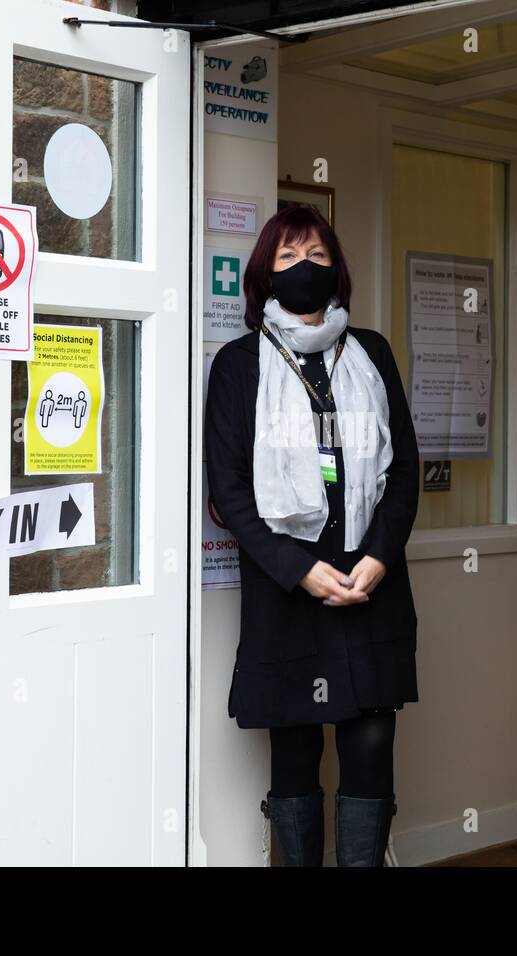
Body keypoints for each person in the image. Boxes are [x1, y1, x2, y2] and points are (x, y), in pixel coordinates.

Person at [204, 205, 420, 867]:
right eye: (290, 257)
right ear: (265, 273)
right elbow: (230, 491)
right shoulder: (239, 366)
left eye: (319, 257)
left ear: (339, 271)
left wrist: (380, 558)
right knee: (295, 755)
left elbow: (404, 469)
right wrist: (298, 569)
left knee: (370, 747)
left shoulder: (373, 353)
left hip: (369, 586)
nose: (306, 268)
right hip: (287, 592)